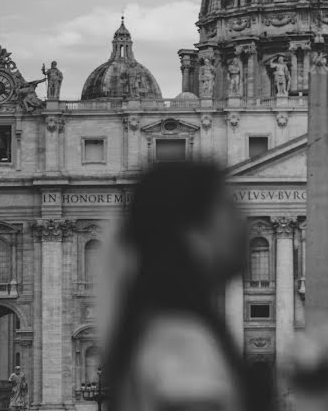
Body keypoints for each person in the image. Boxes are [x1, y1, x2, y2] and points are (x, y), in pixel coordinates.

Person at [100, 162, 271, 411]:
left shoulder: (163, 327)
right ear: (191, 231)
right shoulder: (181, 347)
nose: (242, 222)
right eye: (230, 208)